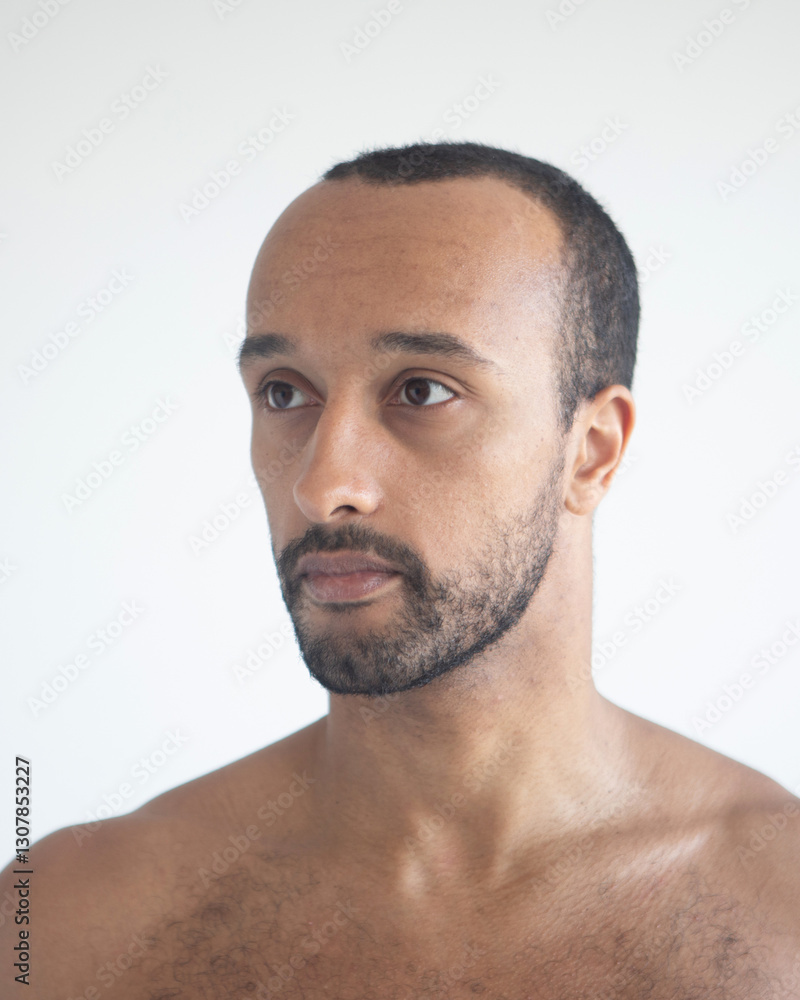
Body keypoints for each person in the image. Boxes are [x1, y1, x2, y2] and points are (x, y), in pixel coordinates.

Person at [4, 141, 799, 998]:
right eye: (284, 392)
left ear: (592, 451)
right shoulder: (66, 923)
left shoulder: (778, 912)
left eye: (422, 390)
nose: (322, 487)